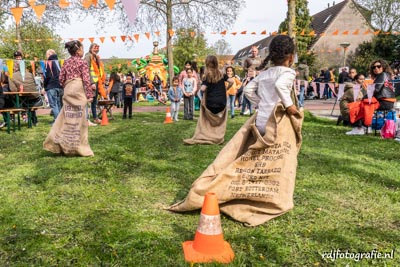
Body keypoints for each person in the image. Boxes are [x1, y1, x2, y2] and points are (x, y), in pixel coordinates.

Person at [169, 36, 303, 226]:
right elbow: (281, 86)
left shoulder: (265, 73)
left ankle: (251, 186)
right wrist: (289, 106)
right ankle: (270, 193)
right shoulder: (288, 72)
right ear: (290, 56)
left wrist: (260, 104)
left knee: (260, 155)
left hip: (261, 120)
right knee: (278, 157)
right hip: (277, 121)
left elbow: (248, 90)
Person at [43, 40, 94, 157]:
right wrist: (89, 94)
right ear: (78, 50)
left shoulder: (65, 62)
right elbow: (86, 80)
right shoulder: (82, 63)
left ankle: (63, 145)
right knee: (79, 118)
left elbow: (61, 78)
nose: (83, 50)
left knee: (67, 117)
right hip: (79, 89)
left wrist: (67, 85)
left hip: (68, 88)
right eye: (82, 48)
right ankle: (79, 147)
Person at [183, 55, 229, 145]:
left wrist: (202, 88)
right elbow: (231, 81)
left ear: (207, 64)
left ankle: (206, 134)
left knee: (205, 114)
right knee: (217, 119)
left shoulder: (207, 76)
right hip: (222, 103)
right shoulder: (222, 74)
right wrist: (226, 89)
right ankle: (217, 136)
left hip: (210, 103)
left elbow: (203, 89)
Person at [84, 43, 106, 124]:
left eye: (97, 48)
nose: (96, 49)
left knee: (94, 101)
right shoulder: (88, 56)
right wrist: (91, 82)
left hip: (97, 82)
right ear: (90, 48)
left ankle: (95, 118)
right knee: (89, 100)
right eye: (94, 48)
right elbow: (86, 70)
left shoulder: (96, 58)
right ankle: (86, 119)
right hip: (91, 82)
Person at [44, 49, 62, 124]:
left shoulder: (48, 63)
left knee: (54, 105)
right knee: (58, 104)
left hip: (51, 86)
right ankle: (60, 121)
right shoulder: (59, 63)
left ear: (49, 55)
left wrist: (44, 86)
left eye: (47, 54)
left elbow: (47, 76)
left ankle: (57, 121)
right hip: (59, 86)